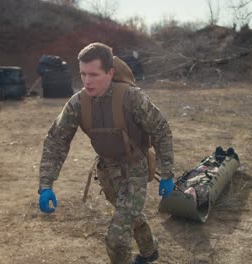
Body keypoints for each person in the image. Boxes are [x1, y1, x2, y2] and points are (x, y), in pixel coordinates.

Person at [37, 42, 175, 264]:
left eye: (94, 74)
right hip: (107, 172)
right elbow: (56, 140)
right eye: (83, 74)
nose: (87, 81)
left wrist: (167, 173)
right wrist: (46, 184)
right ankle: (150, 251)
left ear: (110, 73)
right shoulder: (78, 103)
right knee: (130, 214)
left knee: (117, 237)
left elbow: (161, 131)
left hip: (134, 169)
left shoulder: (132, 98)